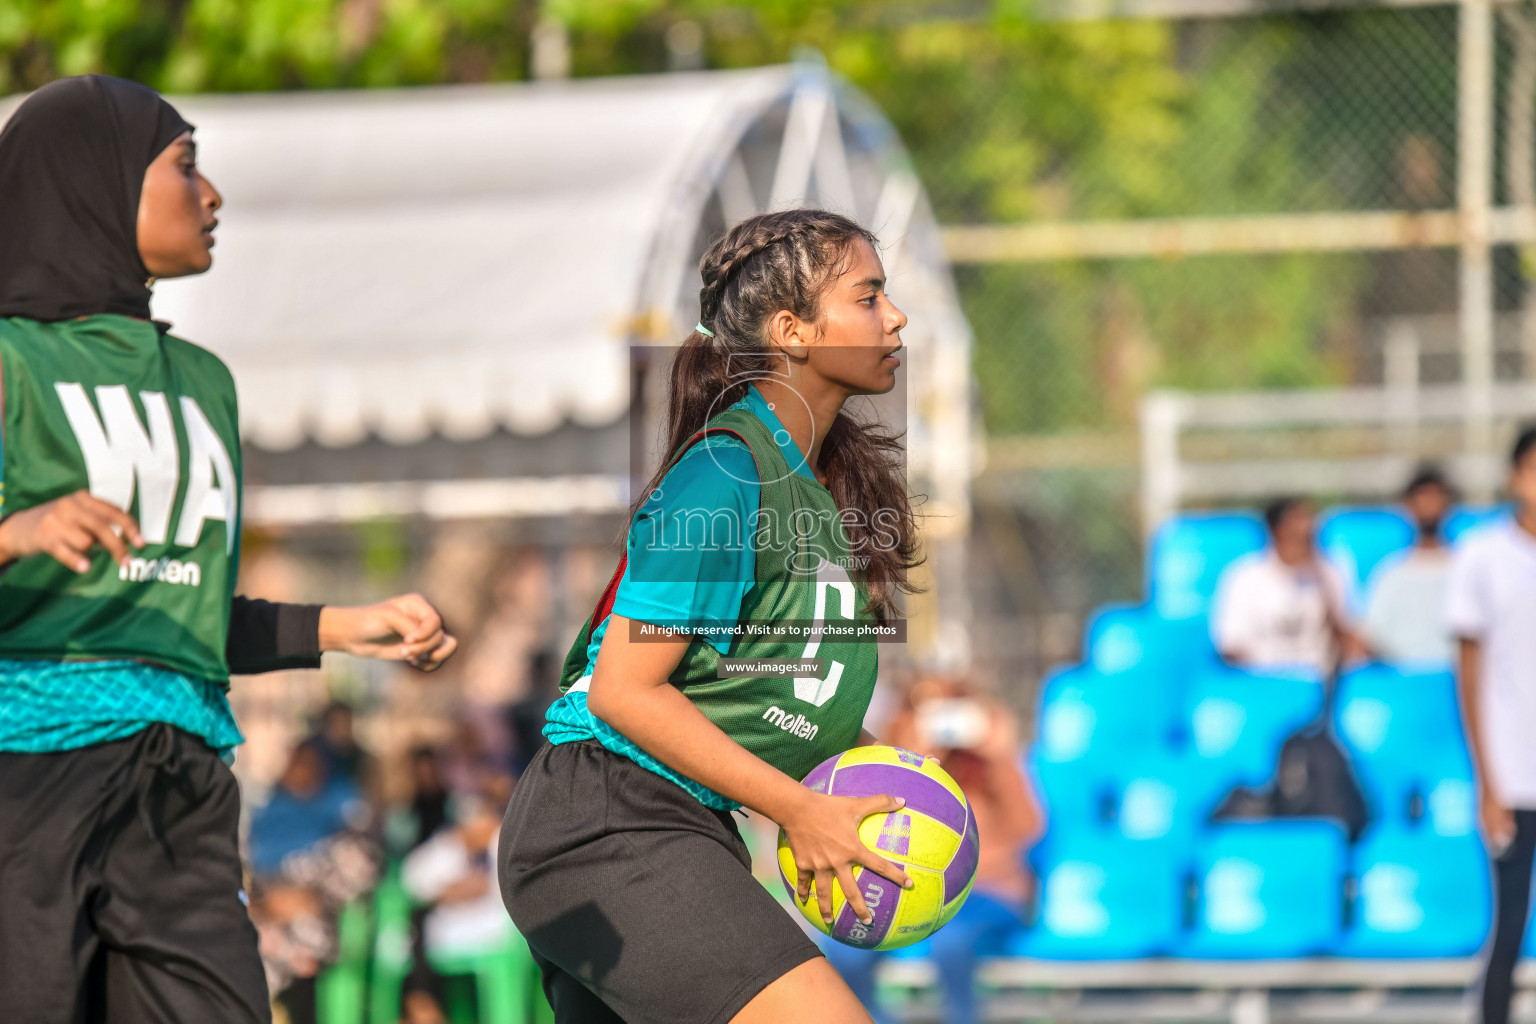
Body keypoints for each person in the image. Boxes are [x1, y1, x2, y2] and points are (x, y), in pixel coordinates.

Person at [0, 75, 458, 1023]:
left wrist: (342, 626)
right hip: (24, 780)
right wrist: (16, 534)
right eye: (186, 166)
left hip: (183, 783)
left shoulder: (202, 383)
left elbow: (186, 614)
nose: (212, 198)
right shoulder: (10, 361)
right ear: (97, 179)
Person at [499, 209, 923, 1024]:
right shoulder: (726, 472)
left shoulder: (809, 483)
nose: (895, 316)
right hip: (608, 822)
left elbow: (762, 681)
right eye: (869, 296)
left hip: (670, 824)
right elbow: (624, 692)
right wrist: (799, 811)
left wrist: (871, 771)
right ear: (793, 331)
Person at [823, 677, 1043, 1024]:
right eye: (930, 712)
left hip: (988, 897)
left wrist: (997, 754)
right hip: (916, 899)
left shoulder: (991, 767)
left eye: (953, 713)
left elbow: (1028, 828)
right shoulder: (900, 768)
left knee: (952, 943)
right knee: (842, 945)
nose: (947, 726)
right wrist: (918, 758)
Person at [1447, 426, 1536, 1024]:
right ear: (1514, 477)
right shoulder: (1483, 554)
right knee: (1509, 927)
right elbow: (1470, 674)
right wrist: (1487, 783)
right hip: (1515, 771)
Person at [400, 784, 516, 1024]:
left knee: (420, 927)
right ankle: (423, 1006)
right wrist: (449, 891)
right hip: (449, 922)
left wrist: (472, 889)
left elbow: (496, 890)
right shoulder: (453, 845)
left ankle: (422, 1007)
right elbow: (412, 877)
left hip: (493, 925)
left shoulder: (503, 843)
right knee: (418, 920)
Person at [1212, 496, 1365, 675]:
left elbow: (1350, 639)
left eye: (1310, 533)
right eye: (1295, 532)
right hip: (1264, 683)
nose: (1304, 537)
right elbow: (1231, 646)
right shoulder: (1243, 577)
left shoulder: (1331, 571)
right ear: (1275, 532)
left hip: (1319, 681)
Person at [1362, 466, 1457, 665]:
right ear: (1409, 506)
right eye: (1423, 498)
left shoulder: (1468, 568)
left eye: (1436, 497)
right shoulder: (1391, 573)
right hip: (1401, 684)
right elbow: (1373, 636)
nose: (1430, 505)